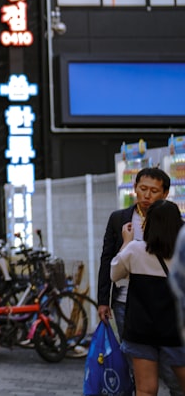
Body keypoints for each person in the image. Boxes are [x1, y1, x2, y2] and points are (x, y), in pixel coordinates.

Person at [98, 166, 182, 396]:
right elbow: (106, 261)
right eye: (142, 189)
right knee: (144, 371)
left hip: (152, 316)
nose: (146, 195)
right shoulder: (119, 218)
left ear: (164, 193)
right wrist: (103, 300)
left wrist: (127, 244)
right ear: (134, 189)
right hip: (136, 307)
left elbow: (115, 268)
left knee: (154, 382)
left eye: (153, 191)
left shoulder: (138, 246)